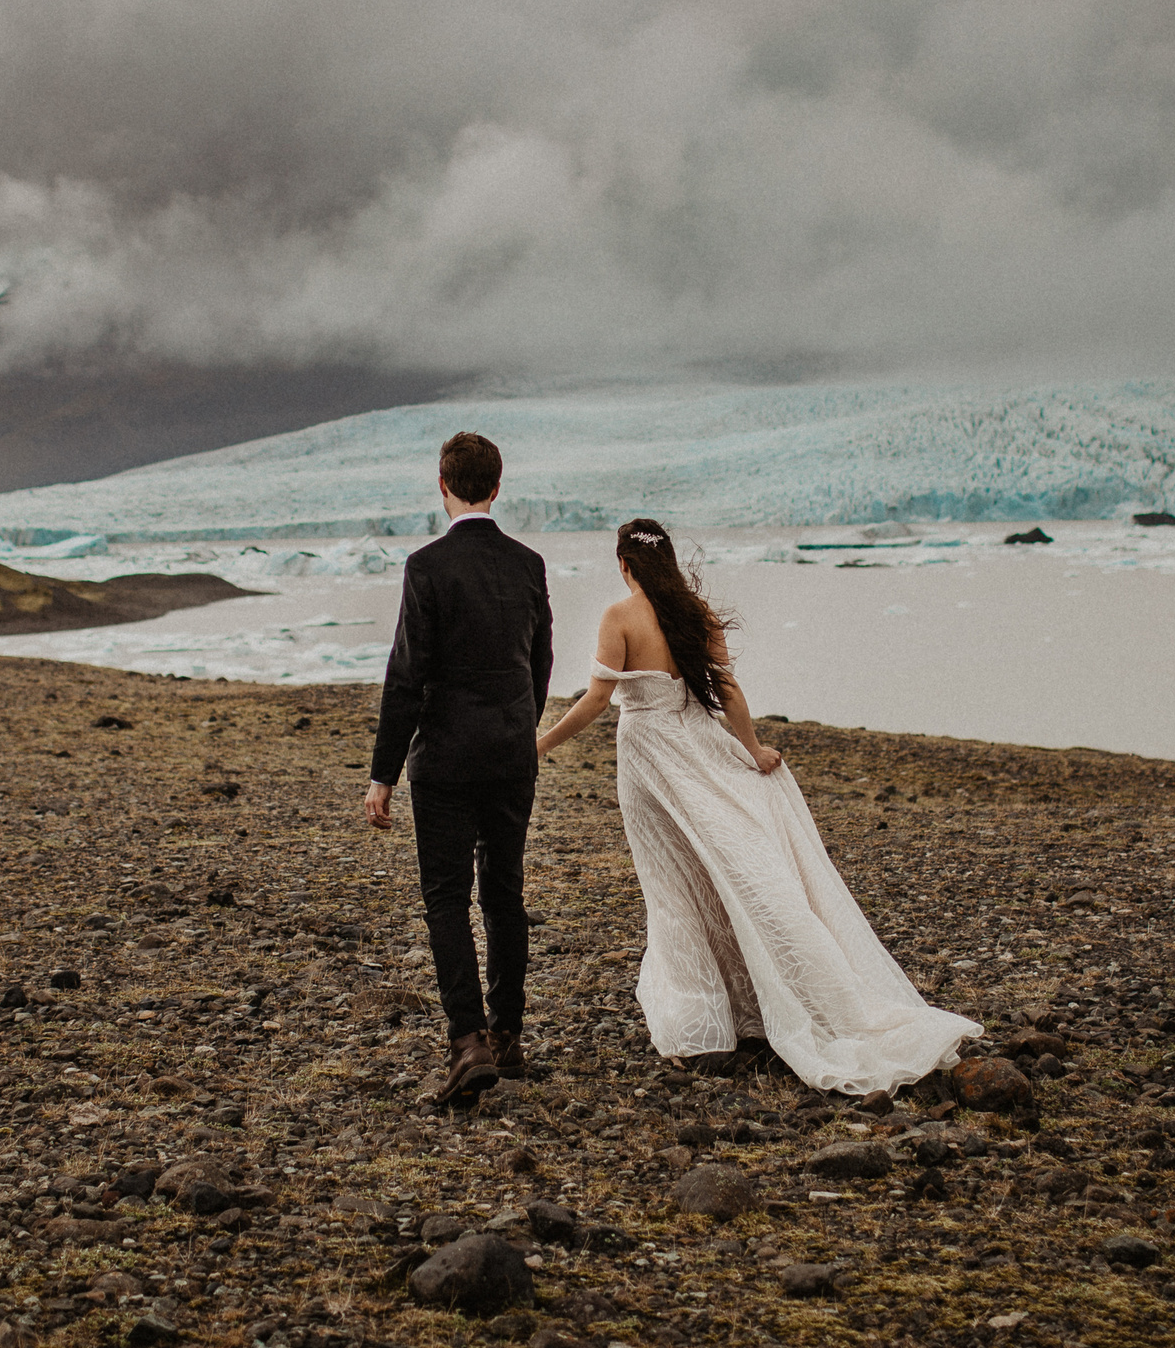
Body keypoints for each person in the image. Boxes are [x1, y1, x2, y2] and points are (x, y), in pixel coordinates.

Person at [536, 518, 979, 1096]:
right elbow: (728, 692)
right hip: (700, 746)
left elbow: (598, 699)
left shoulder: (619, 617)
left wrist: (541, 743)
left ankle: (705, 1022)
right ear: (667, 562)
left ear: (625, 565)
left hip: (648, 757)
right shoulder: (697, 614)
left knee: (675, 883)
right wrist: (752, 750)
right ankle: (761, 1003)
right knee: (735, 869)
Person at [364, 431, 555, 1105]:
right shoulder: (526, 564)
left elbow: (406, 676)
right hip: (510, 752)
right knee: (504, 891)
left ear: (442, 486)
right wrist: (517, 728)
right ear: (498, 486)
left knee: (446, 897)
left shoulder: (426, 566)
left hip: (443, 757)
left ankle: (467, 1039)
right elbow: (539, 662)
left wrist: (382, 771)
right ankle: (507, 1033)